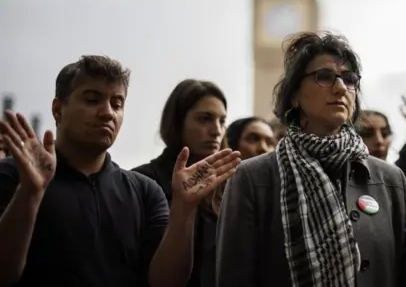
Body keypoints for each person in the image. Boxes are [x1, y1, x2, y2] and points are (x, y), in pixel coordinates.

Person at [216, 32, 406, 287]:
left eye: (349, 79)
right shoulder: (253, 178)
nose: (340, 88)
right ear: (295, 95)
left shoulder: (388, 179)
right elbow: (234, 277)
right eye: (324, 76)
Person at [0, 56, 240, 287]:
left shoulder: (144, 190)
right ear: (58, 109)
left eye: (117, 103)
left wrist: (184, 210)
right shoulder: (14, 176)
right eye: (92, 100)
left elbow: (166, 282)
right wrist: (30, 192)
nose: (107, 113)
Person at [133, 79, 230, 287]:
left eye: (222, 121)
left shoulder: (230, 187)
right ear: (177, 122)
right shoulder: (141, 182)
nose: (216, 131)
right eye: (205, 119)